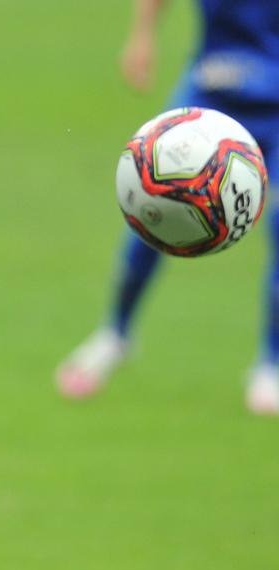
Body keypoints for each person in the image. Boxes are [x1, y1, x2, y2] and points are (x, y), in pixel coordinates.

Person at [56, 0, 279, 414]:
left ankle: (271, 363)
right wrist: (142, 38)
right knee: (152, 203)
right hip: (213, 90)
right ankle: (115, 333)